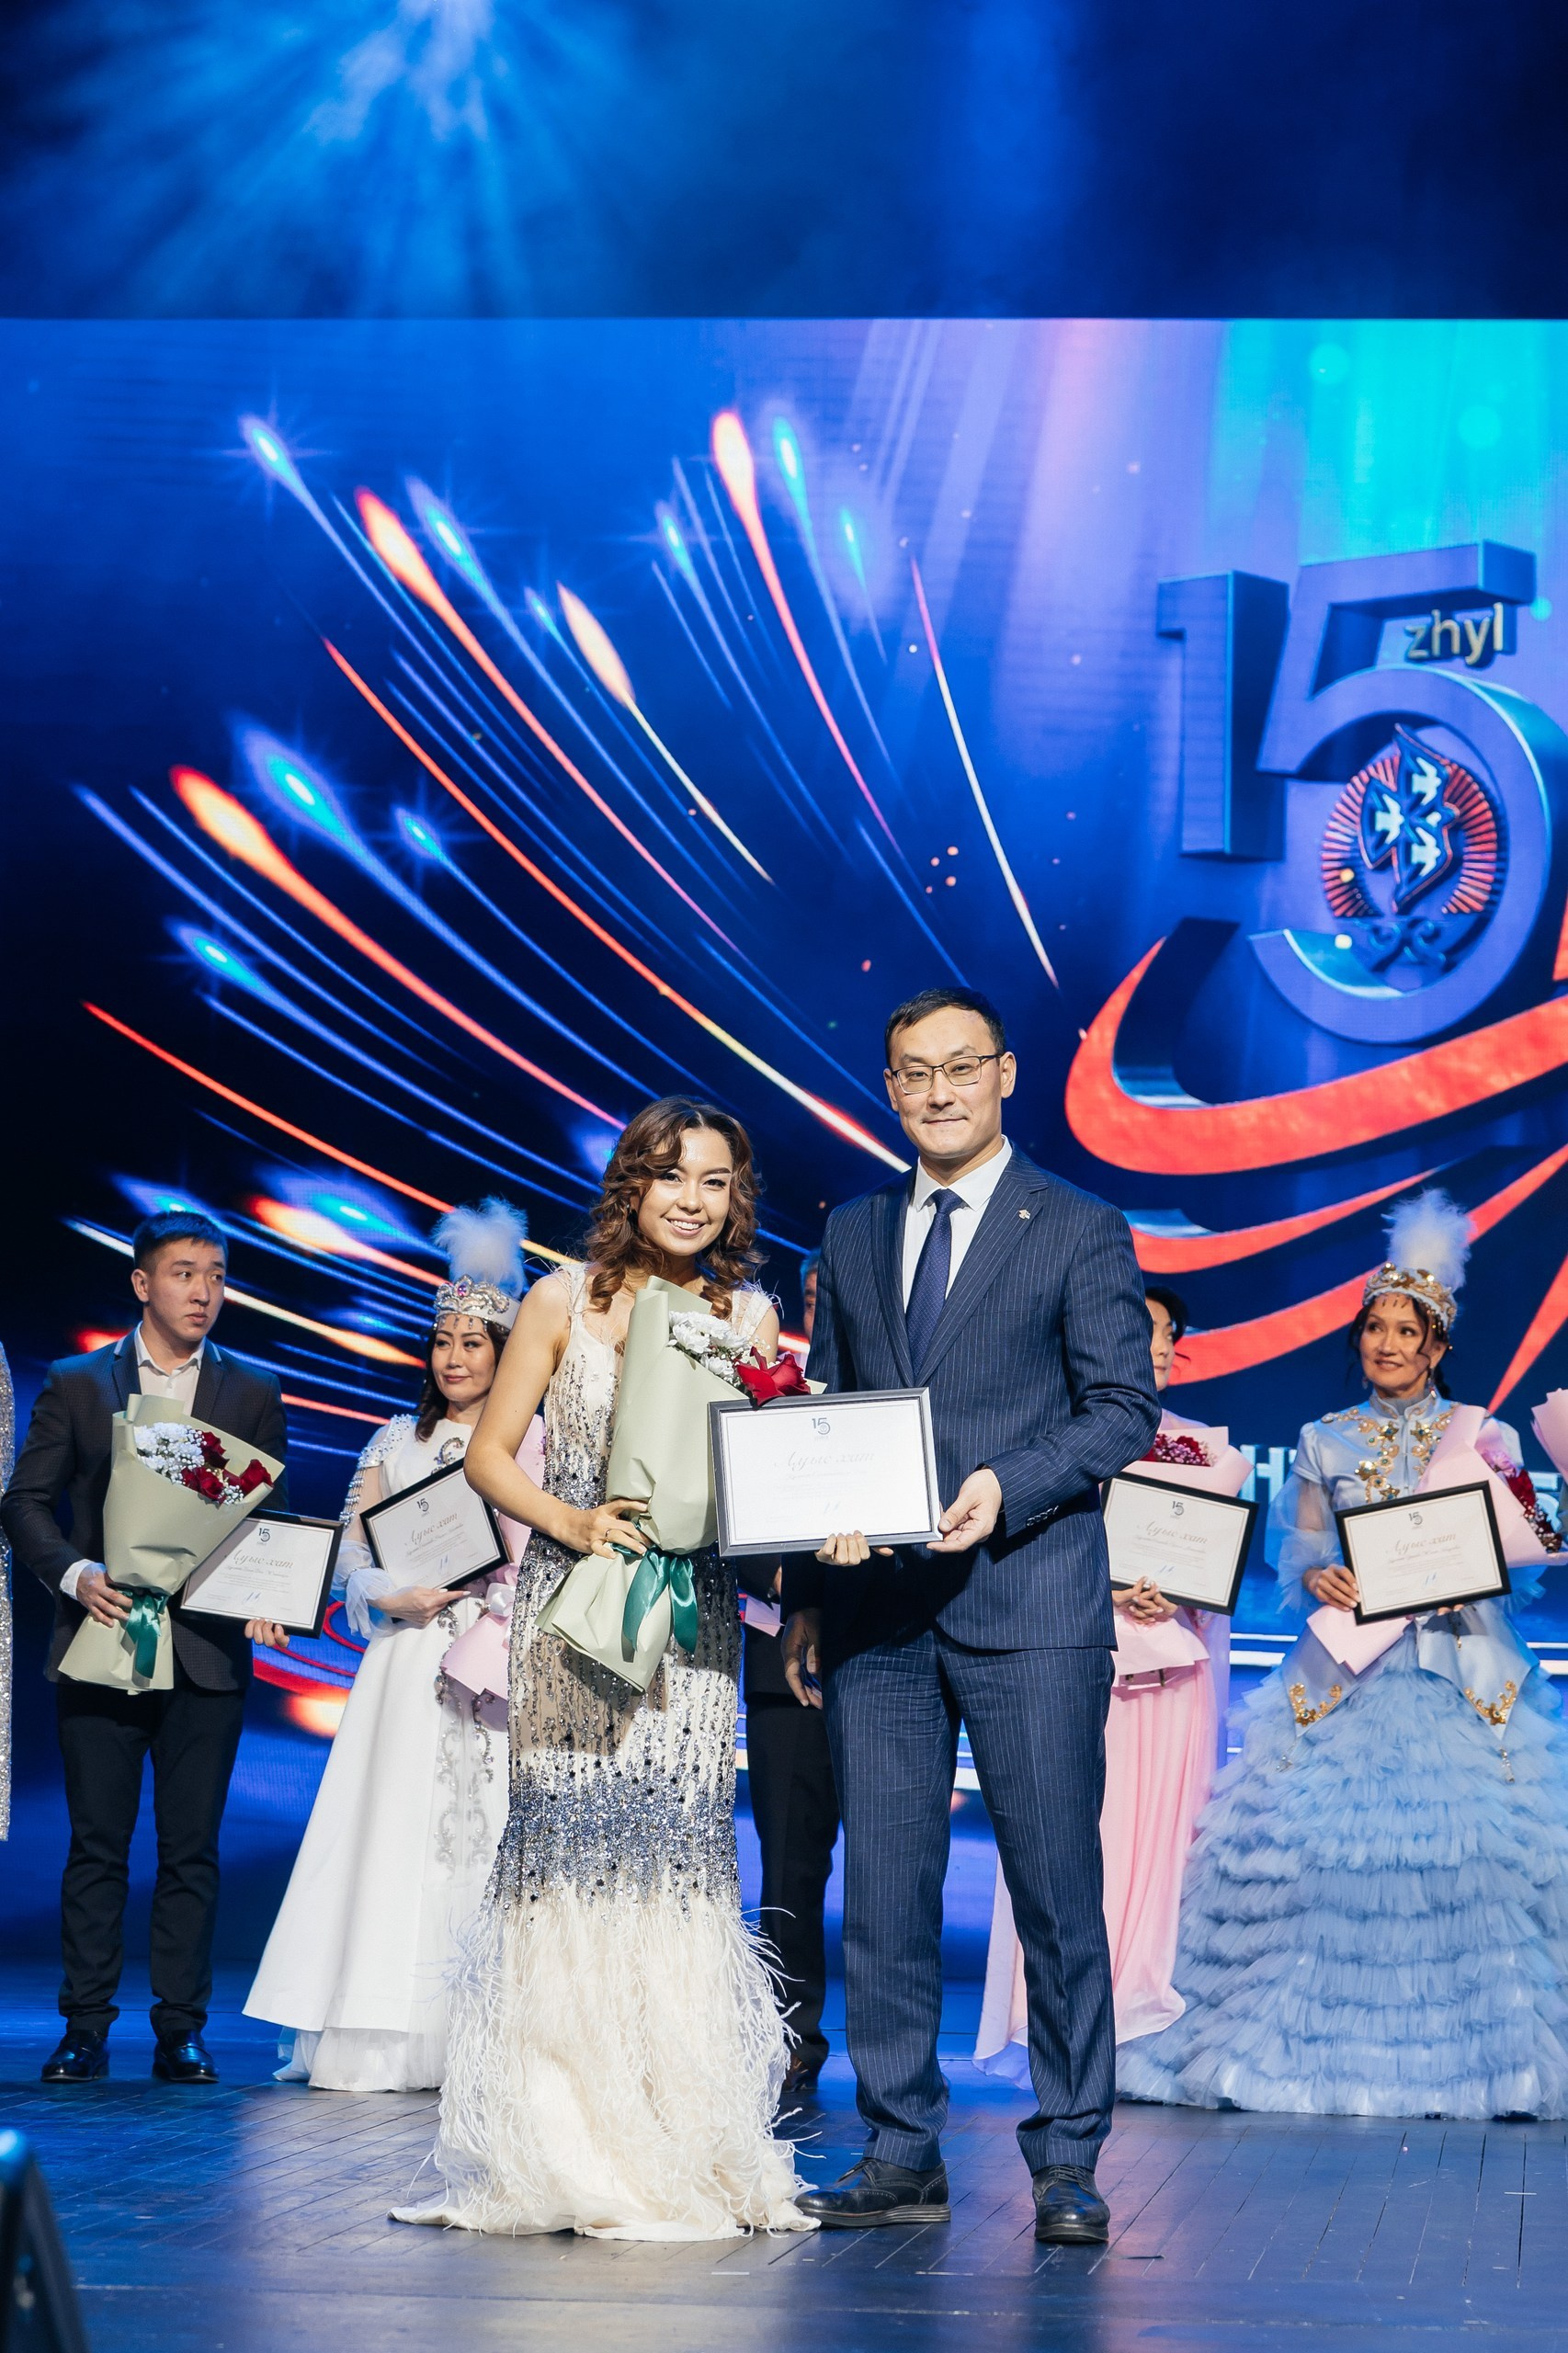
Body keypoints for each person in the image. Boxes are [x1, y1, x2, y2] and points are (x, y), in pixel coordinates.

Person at [779, 988, 1160, 2246]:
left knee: (1052, 1888)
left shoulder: (1081, 1225)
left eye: (958, 1067)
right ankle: (899, 2147)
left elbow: (1120, 1408)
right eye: (911, 1072)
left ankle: (1067, 2155)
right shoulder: (851, 1228)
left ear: (1004, 1075)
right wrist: (806, 1590)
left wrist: (1007, 1486)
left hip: (1030, 1599)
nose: (936, 1091)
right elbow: (829, 1410)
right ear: (888, 1087)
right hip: (877, 1616)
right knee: (886, 1893)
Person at [395, 1098, 808, 2240]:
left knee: (675, 1859)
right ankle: (560, 2143)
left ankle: (674, 2133)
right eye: (671, 1175)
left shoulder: (749, 1315)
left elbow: (753, 1474)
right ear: (633, 1183)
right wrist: (572, 1523)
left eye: (714, 1181)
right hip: (571, 1609)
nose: (691, 1199)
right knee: (566, 1854)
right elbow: (488, 1456)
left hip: (689, 1620)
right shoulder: (559, 1298)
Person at [1118, 1191, 1568, 2120]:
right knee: (1308, 1863)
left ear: (1436, 1346)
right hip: (1347, 1669)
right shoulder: (1322, 1439)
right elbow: (1301, 1552)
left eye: (1406, 1331)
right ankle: (1285, 2053)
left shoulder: (1483, 1435)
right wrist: (1318, 1574)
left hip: (1459, 1667)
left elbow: (1532, 1545)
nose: (1386, 1344)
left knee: (1481, 1862)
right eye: (1374, 1327)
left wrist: (1477, 1572)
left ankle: (1495, 2067)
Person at [245, 1201, 540, 2091]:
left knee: (489, 1834)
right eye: (443, 1341)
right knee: (393, 1832)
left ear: (505, 1353)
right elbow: (351, 1555)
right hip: (408, 1658)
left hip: (492, 1652)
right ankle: (382, 2030)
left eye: (474, 1342)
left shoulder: (529, 1443)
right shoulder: (393, 1439)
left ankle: (494, 2035)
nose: (455, 1357)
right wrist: (387, 1593)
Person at [0, 1213, 289, 2086]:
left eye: (216, 1275)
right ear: (142, 1283)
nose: (203, 1292)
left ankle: (181, 2029)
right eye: (184, 1273)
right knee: (98, 1846)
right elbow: (24, 1503)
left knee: (190, 1850)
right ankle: (85, 2027)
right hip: (102, 1636)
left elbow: (267, 1521)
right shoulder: (80, 1382)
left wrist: (271, 1598)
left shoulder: (251, 1389)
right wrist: (75, 1572)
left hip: (205, 1653)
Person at [975, 1282, 1245, 2077]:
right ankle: (1065, 2027)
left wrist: (1184, 1591)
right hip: (1084, 1657)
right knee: (1079, 1838)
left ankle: (1145, 2032)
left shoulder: (1201, 1448)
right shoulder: (1060, 1437)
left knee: (1165, 1841)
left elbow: (1210, 1564)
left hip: (1177, 1666)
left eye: (1169, 1334)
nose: (1158, 1345)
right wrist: (1107, 1587)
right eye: (1143, 1329)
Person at [737, 1247, 840, 2102]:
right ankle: (788, 2034)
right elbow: (727, 1505)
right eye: (812, 1289)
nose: (822, 1300)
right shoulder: (764, 1388)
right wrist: (774, 1573)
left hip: (885, 1650)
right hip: (783, 1662)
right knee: (790, 1867)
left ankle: (896, 2052)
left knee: (893, 1863)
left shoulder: (892, 1383)